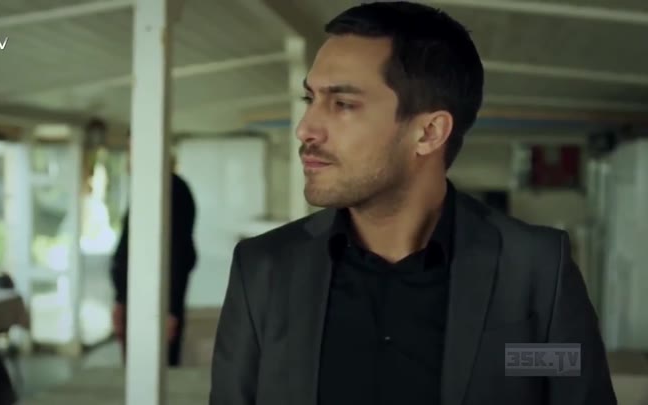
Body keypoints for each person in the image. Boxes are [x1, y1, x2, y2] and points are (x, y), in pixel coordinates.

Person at [210, 2, 616, 405]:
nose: (305, 129)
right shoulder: (264, 268)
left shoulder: (535, 268)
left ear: (428, 133)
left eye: (343, 103)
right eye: (309, 99)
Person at [110, 154, 197, 367]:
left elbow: (178, 253)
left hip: (155, 299)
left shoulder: (172, 190)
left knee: (154, 365)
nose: (129, 160)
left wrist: (170, 309)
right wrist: (120, 299)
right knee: (136, 365)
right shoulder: (148, 187)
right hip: (136, 295)